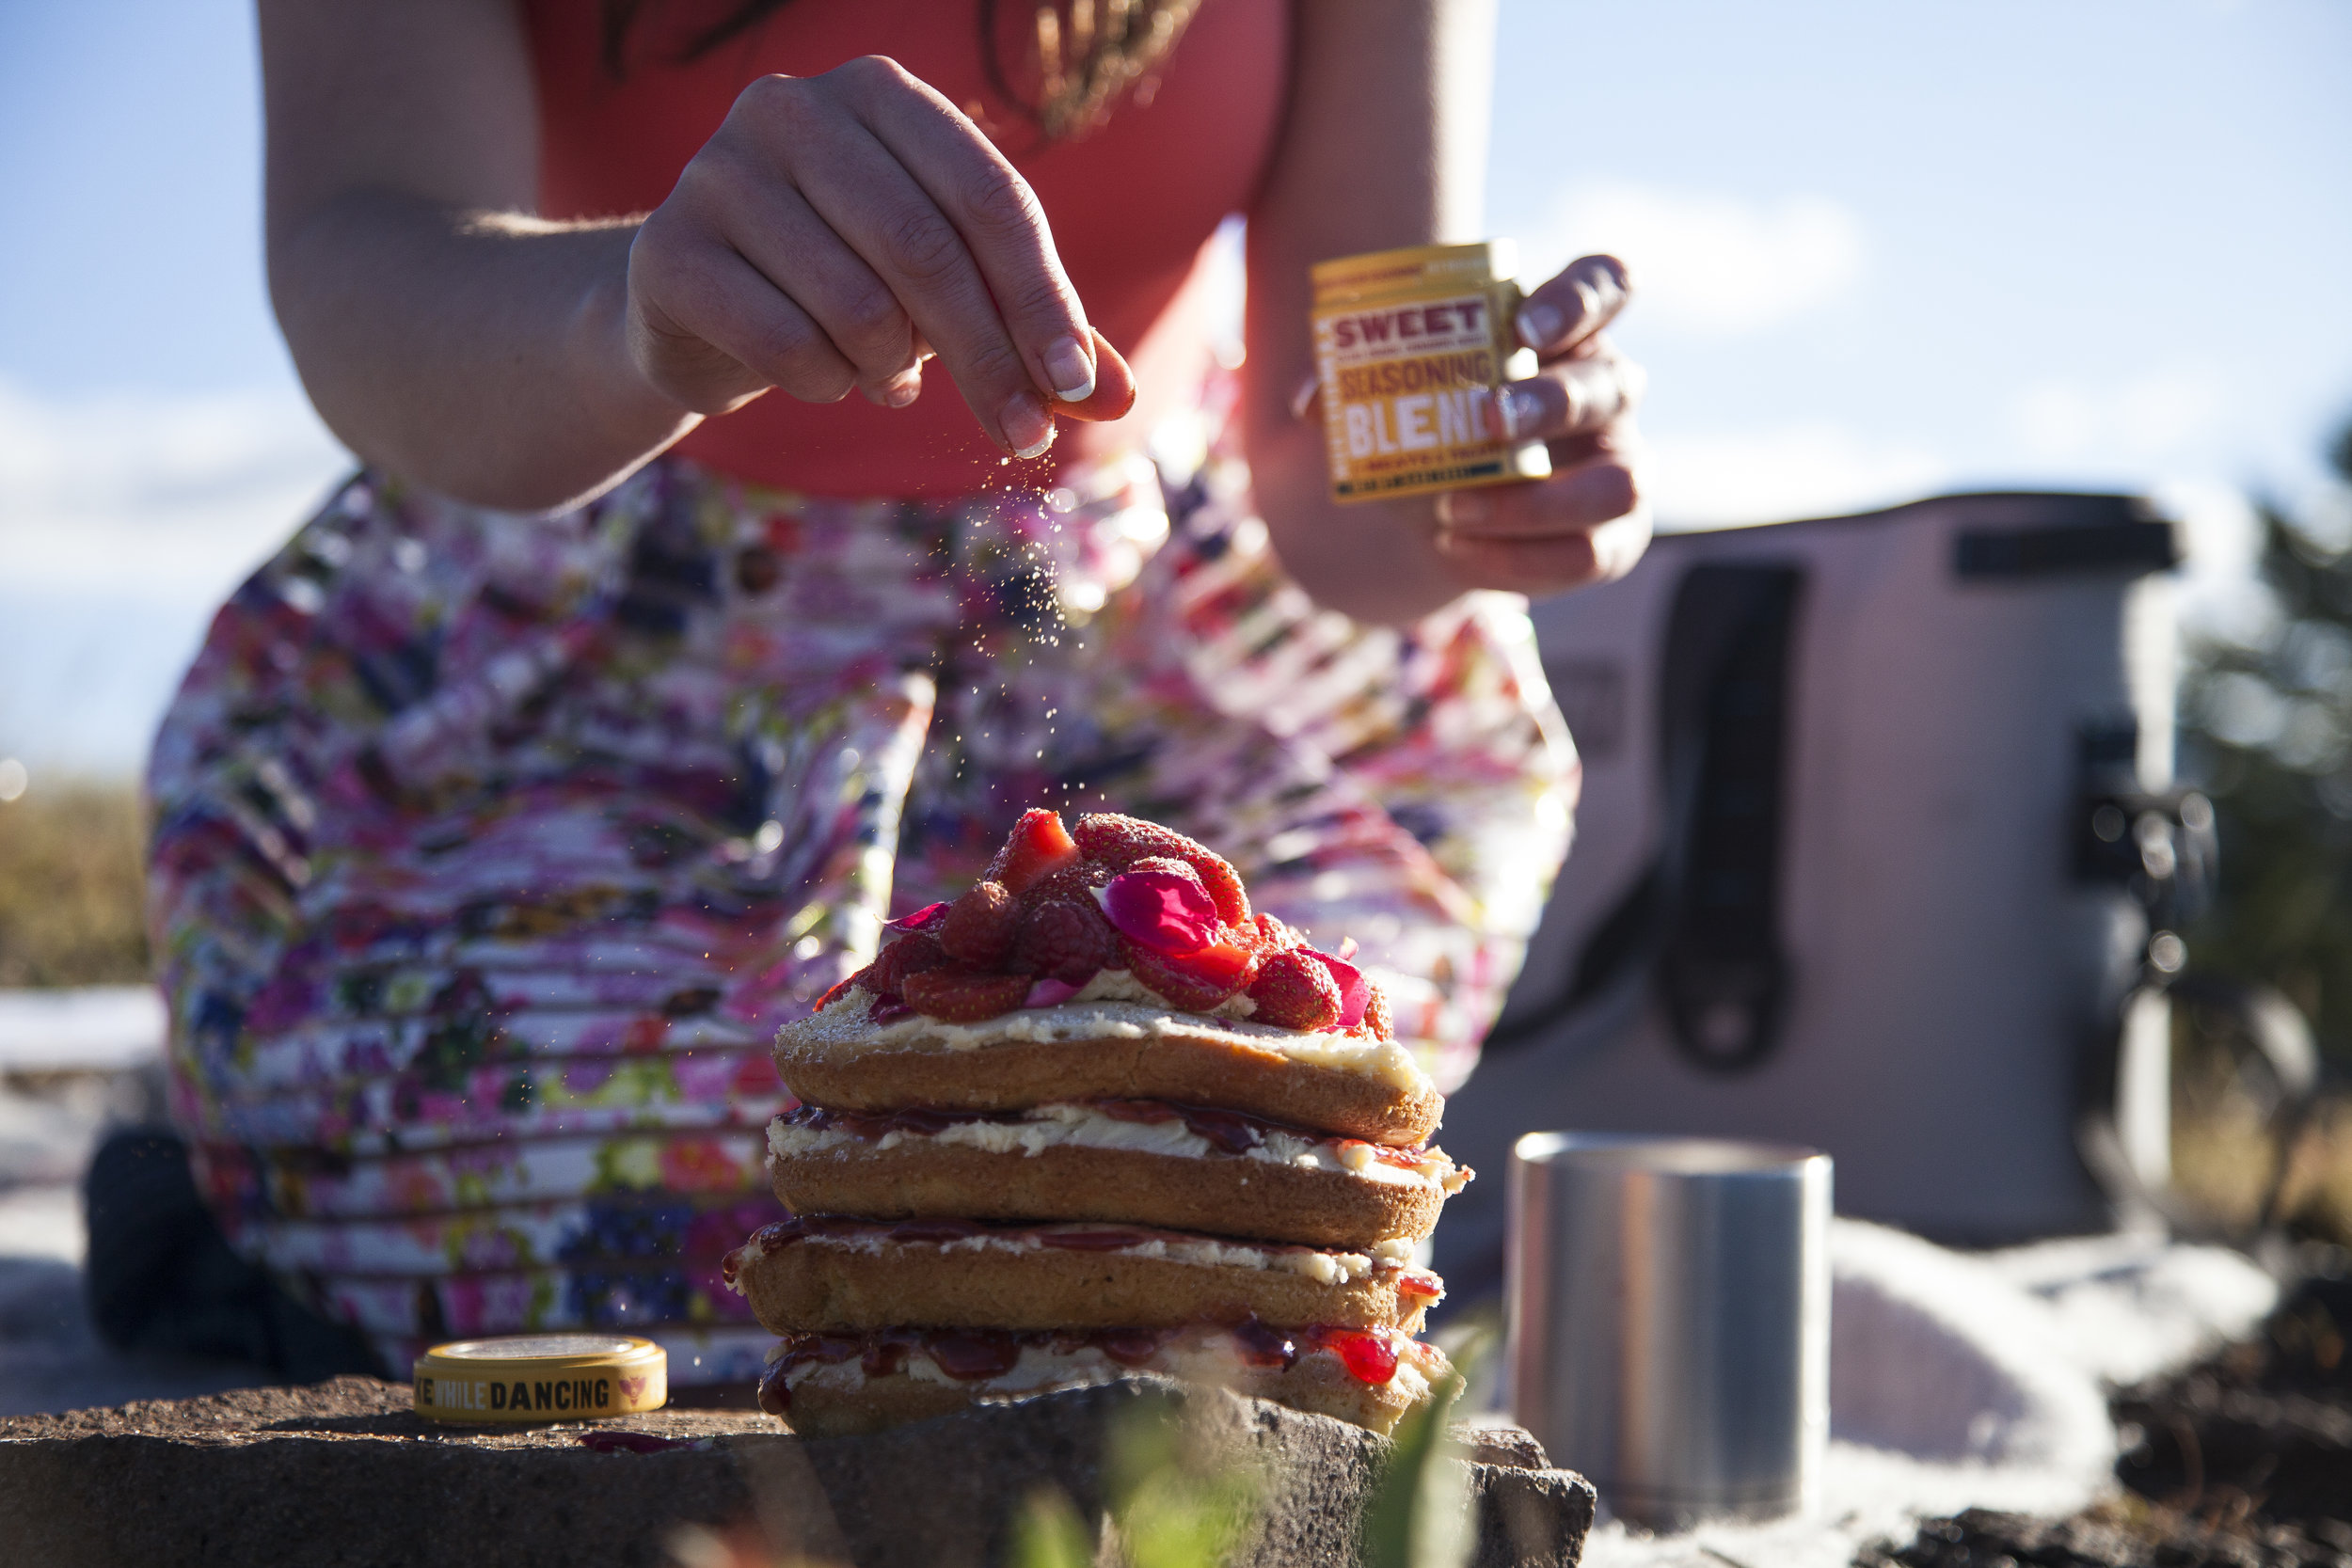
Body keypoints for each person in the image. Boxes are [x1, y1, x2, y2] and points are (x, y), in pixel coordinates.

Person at [108, 0, 1647, 1388]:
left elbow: (1348, 506)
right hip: (586, 644)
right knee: (778, 1182)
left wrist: (1473, 477)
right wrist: (638, 313)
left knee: (1241, 1119)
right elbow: (361, 261)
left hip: (1161, 653)